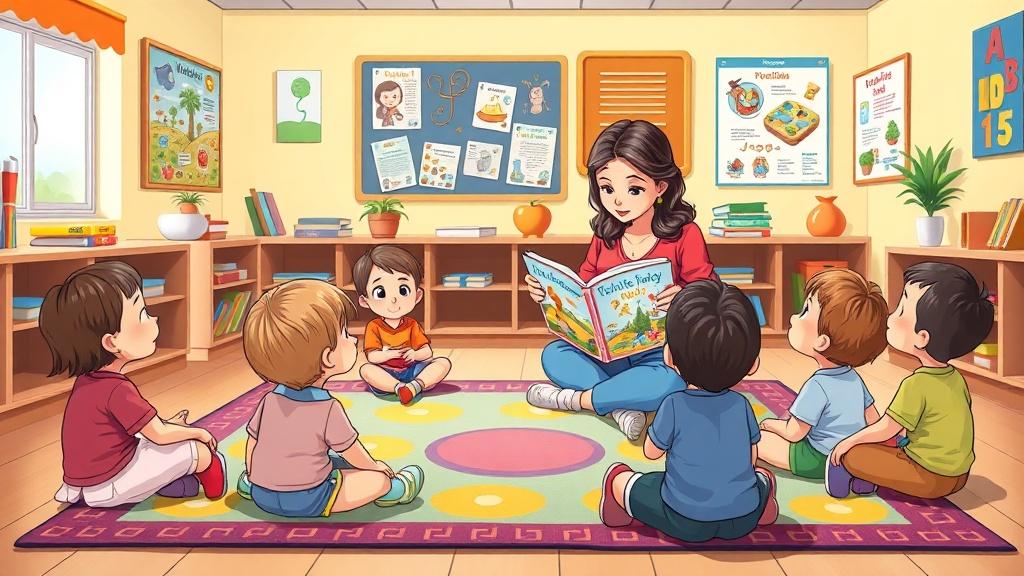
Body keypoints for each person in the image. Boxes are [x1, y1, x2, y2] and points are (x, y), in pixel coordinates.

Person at [525, 119, 716, 440]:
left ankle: (580, 400)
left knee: (670, 383)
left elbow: (710, 291)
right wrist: (547, 292)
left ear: (661, 187)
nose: (618, 200)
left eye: (634, 189)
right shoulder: (606, 235)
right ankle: (619, 407)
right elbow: (582, 286)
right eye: (607, 188)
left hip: (661, 353)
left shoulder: (685, 235)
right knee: (554, 354)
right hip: (605, 354)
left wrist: (684, 293)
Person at [599, 280, 777, 541]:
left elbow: (651, 452)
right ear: (752, 364)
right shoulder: (742, 405)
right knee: (758, 478)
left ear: (669, 356)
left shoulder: (674, 404)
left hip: (685, 520)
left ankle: (619, 496)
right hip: (743, 518)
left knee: (628, 480)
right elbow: (751, 456)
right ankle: (765, 491)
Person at [40, 261, 227, 507]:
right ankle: (214, 483)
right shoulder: (117, 389)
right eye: (143, 314)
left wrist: (170, 427)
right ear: (112, 343)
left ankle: (177, 485)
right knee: (196, 450)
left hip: (79, 485)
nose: (153, 318)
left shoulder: (86, 383)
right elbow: (159, 435)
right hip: (111, 484)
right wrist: (198, 433)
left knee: (154, 441)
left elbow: (128, 428)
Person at [239, 279, 424, 517]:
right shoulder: (327, 408)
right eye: (345, 334)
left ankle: (248, 484)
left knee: (330, 458)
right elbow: (352, 450)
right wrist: (376, 468)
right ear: (327, 358)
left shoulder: (269, 400)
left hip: (261, 493)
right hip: (309, 498)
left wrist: (254, 476)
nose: (354, 339)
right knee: (375, 480)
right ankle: (395, 490)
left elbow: (253, 442)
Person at [827, 262, 992, 499]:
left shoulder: (916, 384)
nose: (891, 317)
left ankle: (853, 475)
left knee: (854, 453)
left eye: (902, 310)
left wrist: (847, 443)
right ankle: (867, 478)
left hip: (930, 477)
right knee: (890, 442)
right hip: (960, 476)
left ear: (922, 337)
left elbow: (886, 428)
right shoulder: (956, 378)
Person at [757, 269, 888, 480]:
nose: (793, 317)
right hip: (849, 454)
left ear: (822, 342)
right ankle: (852, 472)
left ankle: (832, 472)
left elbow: (794, 432)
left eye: (805, 311)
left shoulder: (817, 385)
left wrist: (769, 424)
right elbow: (872, 418)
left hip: (816, 457)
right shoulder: (854, 378)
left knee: (758, 439)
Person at [355, 245, 451, 405]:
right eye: (381, 293)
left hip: (413, 370)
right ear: (365, 301)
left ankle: (415, 385)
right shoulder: (374, 327)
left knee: (443, 363)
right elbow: (372, 357)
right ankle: (398, 388)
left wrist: (414, 355)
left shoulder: (412, 325)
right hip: (386, 372)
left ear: (417, 295)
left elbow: (427, 352)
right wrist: (388, 355)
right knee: (366, 370)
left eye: (403, 290)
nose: (393, 300)